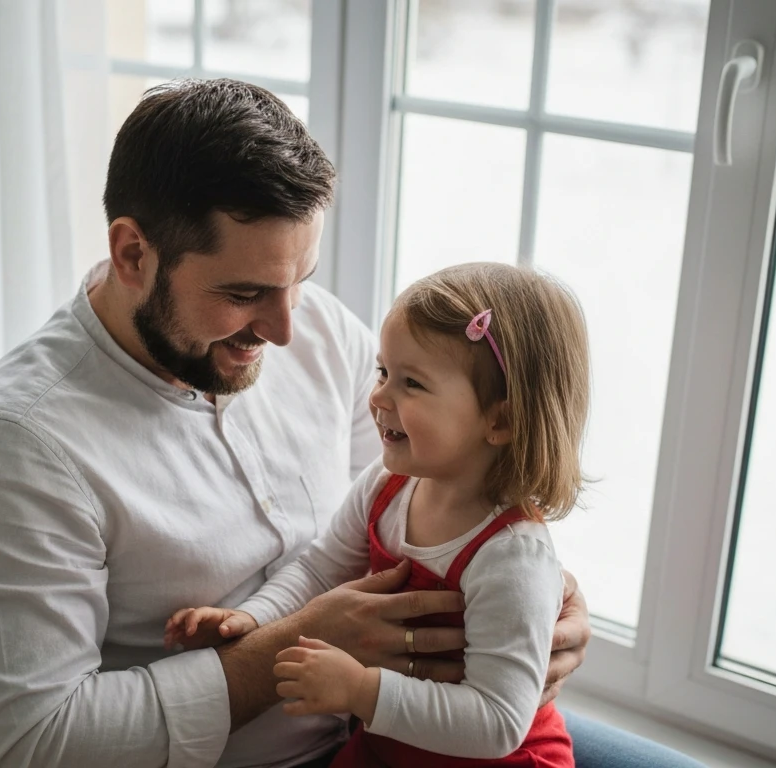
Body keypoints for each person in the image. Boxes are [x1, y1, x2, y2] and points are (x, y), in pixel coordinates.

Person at [0, 78, 703, 768]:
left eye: (302, 278)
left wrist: (545, 607)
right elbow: (39, 746)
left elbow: (428, 496)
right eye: (243, 293)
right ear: (134, 253)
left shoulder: (320, 330)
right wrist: (286, 655)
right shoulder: (18, 452)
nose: (288, 330)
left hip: (427, 730)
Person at [167, 263, 588, 766]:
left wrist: (362, 690)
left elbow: (497, 723)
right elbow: (320, 570)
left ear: (499, 419)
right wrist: (252, 619)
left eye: (412, 384)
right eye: (384, 371)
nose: (378, 396)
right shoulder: (388, 485)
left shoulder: (512, 557)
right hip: (389, 747)